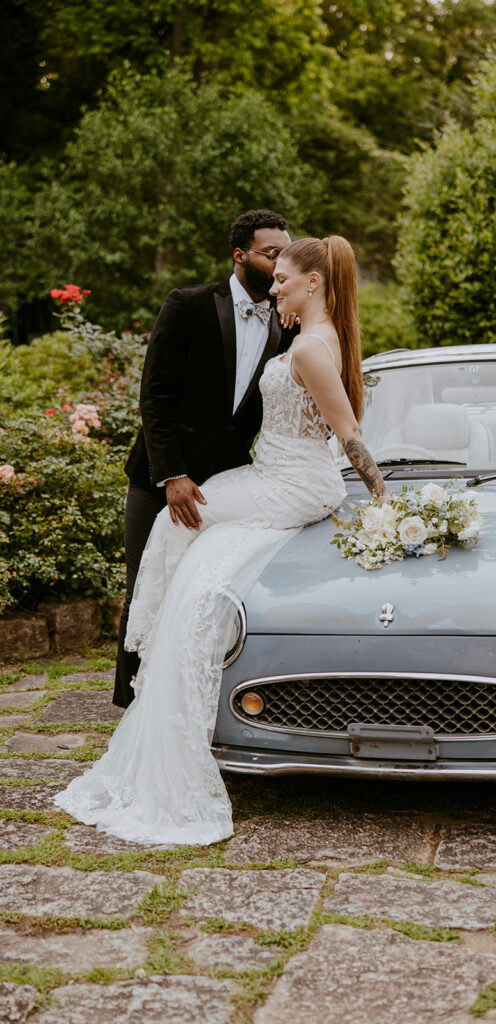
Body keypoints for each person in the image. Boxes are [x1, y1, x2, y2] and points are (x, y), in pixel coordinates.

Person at [55, 235, 388, 846]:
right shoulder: (307, 333)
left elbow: (348, 432)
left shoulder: (312, 347)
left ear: (313, 283)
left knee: (180, 525)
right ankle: (158, 662)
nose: (276, 284)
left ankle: (155, 652)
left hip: (295, 485)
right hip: (274, 474)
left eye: (284, 276)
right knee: (185, 530)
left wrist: (384, 502)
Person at [113, 208, 297, 709]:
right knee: (146, 584)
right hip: (161, 478)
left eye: (287, 253)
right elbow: (155, 396)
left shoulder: (288, 322)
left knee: (205, 594)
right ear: (241, 255)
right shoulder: (188, 305)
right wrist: (172, 474)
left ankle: (193, 701)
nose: (281, 263)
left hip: (232, 486)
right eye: (271, 253)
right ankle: (134, 707)